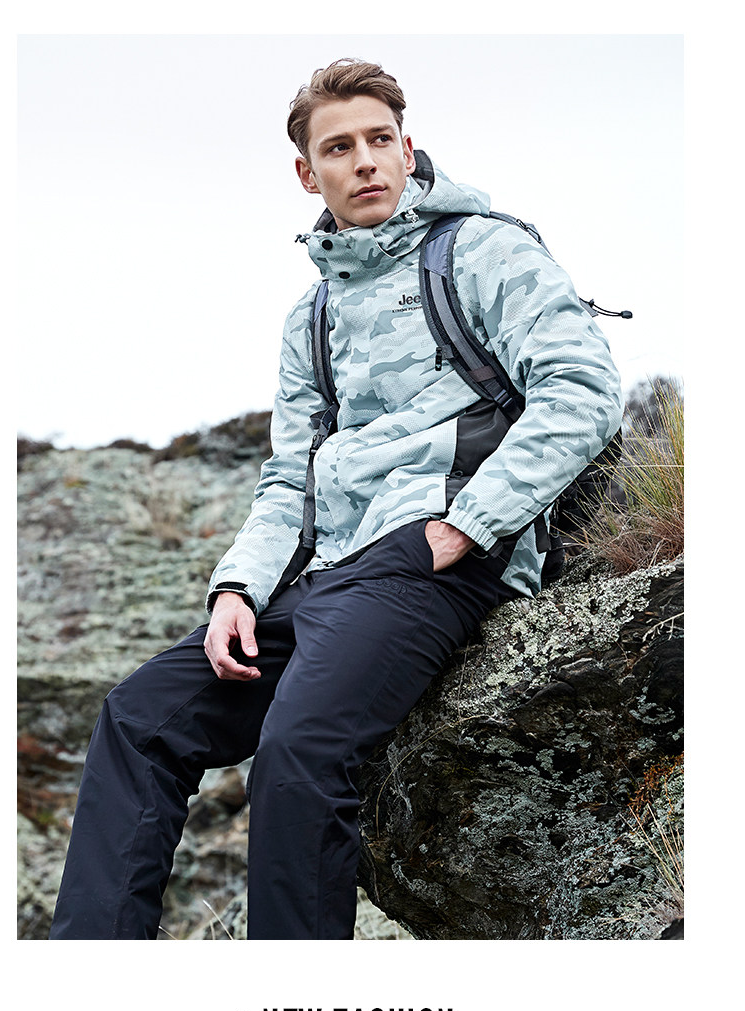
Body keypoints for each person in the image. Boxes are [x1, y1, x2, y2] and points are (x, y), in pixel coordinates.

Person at [49, 58, 623, 940]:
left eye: (380, 140)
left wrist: (464, 528)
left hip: (430, 558)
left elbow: (582, 390)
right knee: (140, 718)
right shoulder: (309, 316)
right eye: (340, 147)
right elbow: (291, 475)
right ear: (306, 172)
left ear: (407, 148)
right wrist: (237, 589)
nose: (365, 162)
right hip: (322, 576)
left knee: (298, 750)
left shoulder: (482, 250)